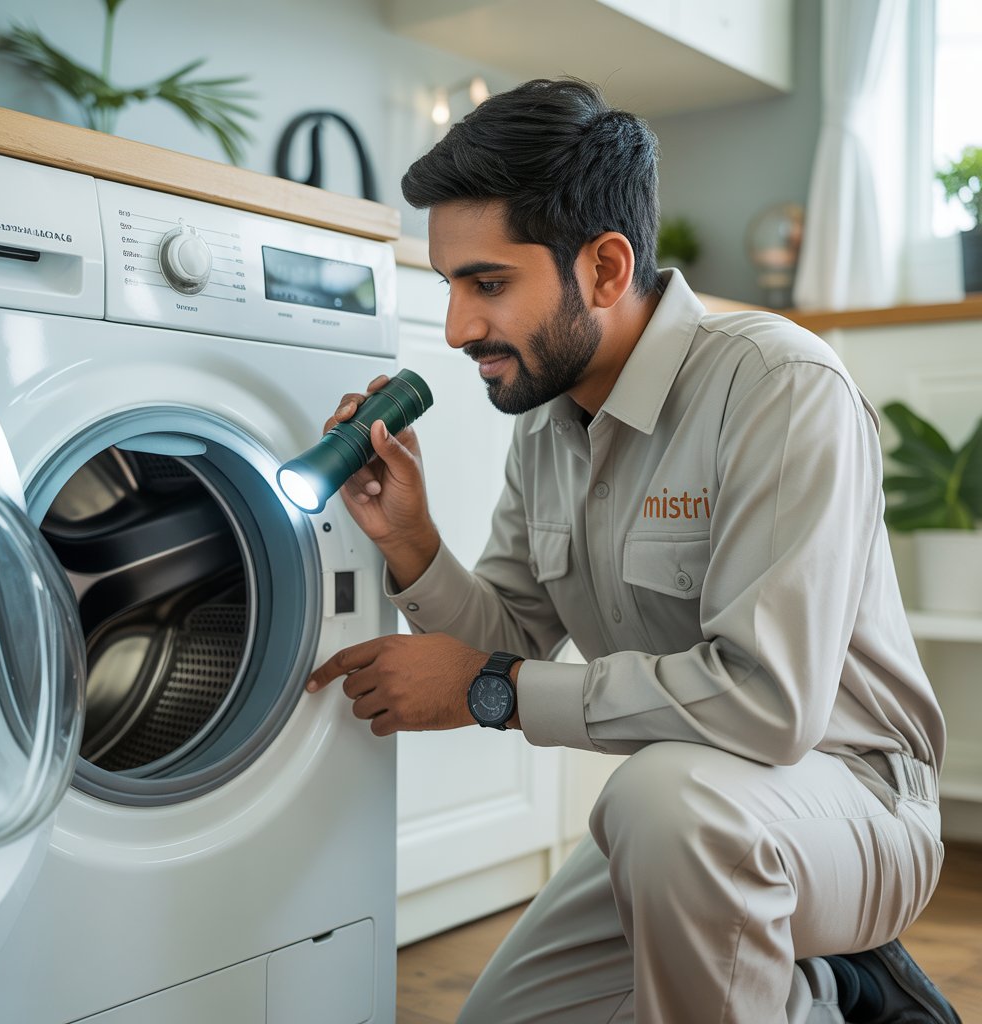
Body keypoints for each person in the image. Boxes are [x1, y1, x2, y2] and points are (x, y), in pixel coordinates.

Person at [306, 78, 960, 1024]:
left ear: (606, 268)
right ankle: (821, 998)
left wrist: (494, 691)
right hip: (688, 810)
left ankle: (830, 973)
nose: (456, 330)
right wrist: (410, 539)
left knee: (659, 801)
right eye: (449, 286)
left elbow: (769, 705)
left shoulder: (779, 386)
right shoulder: (547, 424)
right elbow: (509, 638)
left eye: (488, 284)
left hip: (853, 802)